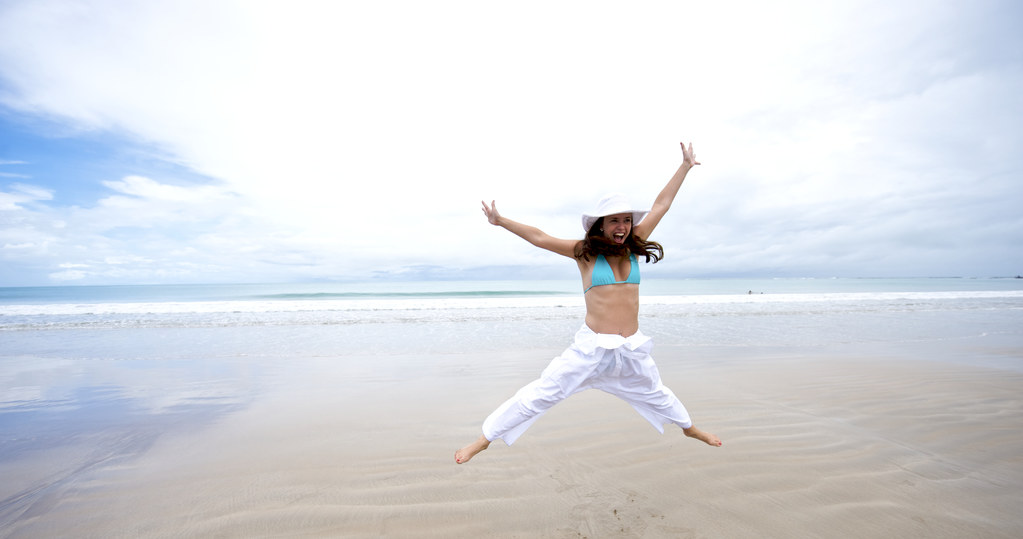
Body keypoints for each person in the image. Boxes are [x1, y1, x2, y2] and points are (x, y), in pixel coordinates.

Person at [455, 142, 721, 465]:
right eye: (614, 221)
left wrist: (684, 167)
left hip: (630, 349)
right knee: (544, 392)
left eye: (626, 220)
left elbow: (661, 205)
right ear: (600, 225)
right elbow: (540, 237)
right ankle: (484, 440)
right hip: (590, 351)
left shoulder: (634, 246)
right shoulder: (585, 254)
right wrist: (501, 221)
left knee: (657, 393)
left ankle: (690, 428)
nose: (622, 227)